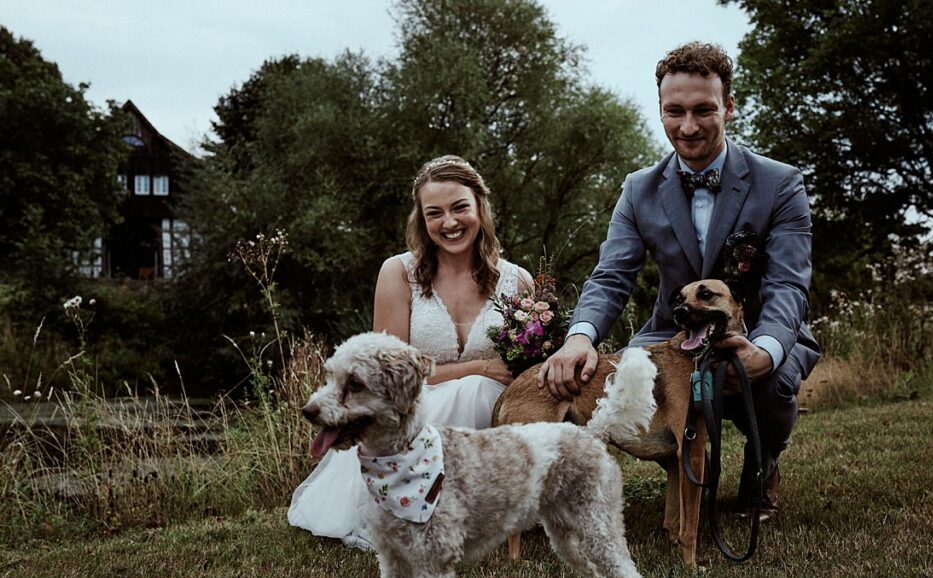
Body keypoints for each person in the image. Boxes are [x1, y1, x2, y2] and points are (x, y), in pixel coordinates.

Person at [539, 42, 819, 516]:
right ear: (661, 110)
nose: (688, 127)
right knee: (625, 378)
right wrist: (580, 337)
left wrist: (766, 350)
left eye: (703, 110)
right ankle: (686, 468)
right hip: (672, 335)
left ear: (729, 106)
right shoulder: (638, 188)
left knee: (772, 386)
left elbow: (788, 285)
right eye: (675, 112)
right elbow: (611, 276)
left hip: (755, 331)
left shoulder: (780, 183)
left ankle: (762, 464)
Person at [289, 155, 532, 548]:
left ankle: (488, 502)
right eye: (434, 213)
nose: (449, 223)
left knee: (483, 392)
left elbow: (525, 372)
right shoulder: (398, 273)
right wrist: (479, 367)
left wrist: (494, 374)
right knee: (473, 386)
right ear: (421, 219)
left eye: (459, 208)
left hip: (491, 418)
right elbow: (381, 379)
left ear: (480, 207)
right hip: (414, 409)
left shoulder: (517, 281)